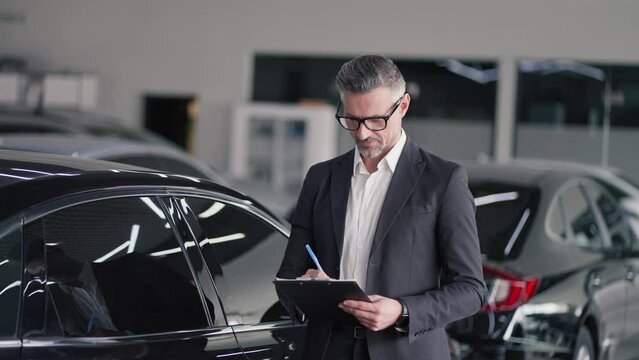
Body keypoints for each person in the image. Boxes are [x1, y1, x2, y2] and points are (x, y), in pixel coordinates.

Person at [277, 55, 486, 360]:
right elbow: (288, 276)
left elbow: (471, 290)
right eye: (351, 120)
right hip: (327, 350)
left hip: (405, 351)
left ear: (402, 106)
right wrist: (308, 292)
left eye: (375, 120)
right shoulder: (320, 178)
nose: (362, 134)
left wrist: (402, 310)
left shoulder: (443, 180)